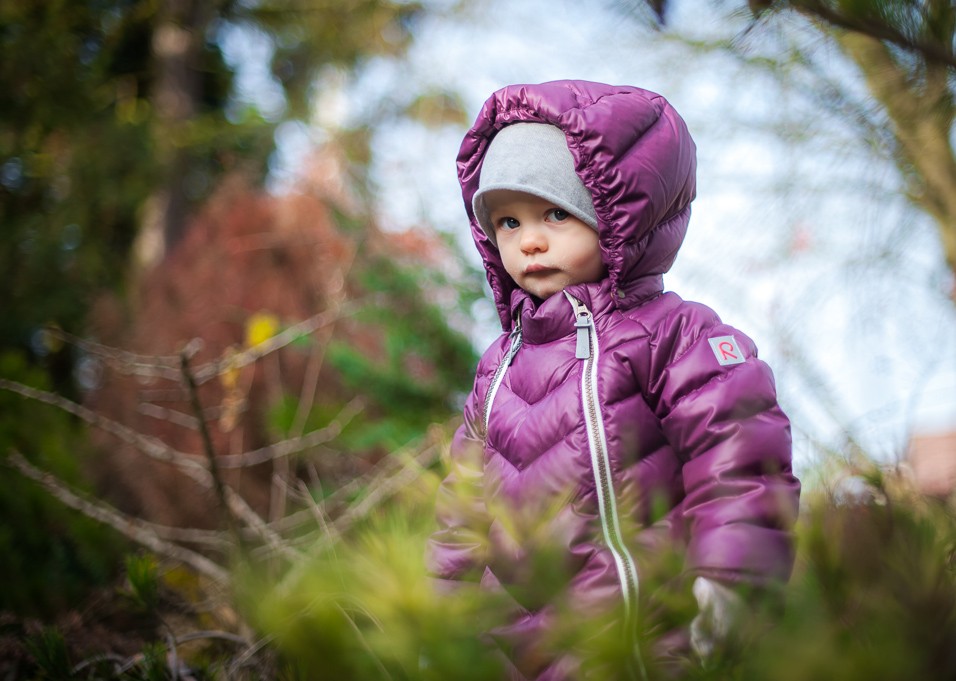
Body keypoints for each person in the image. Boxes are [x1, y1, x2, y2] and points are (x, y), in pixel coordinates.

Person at [426, 80, 801, 680]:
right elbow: (460, 512)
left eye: (556, 212)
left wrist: (732, 578)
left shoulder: (672, 335)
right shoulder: (497, 366)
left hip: (646, 646)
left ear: (619, 216)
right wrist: (437, 628)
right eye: (508, 221)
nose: (531, 239)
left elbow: (739, 458)